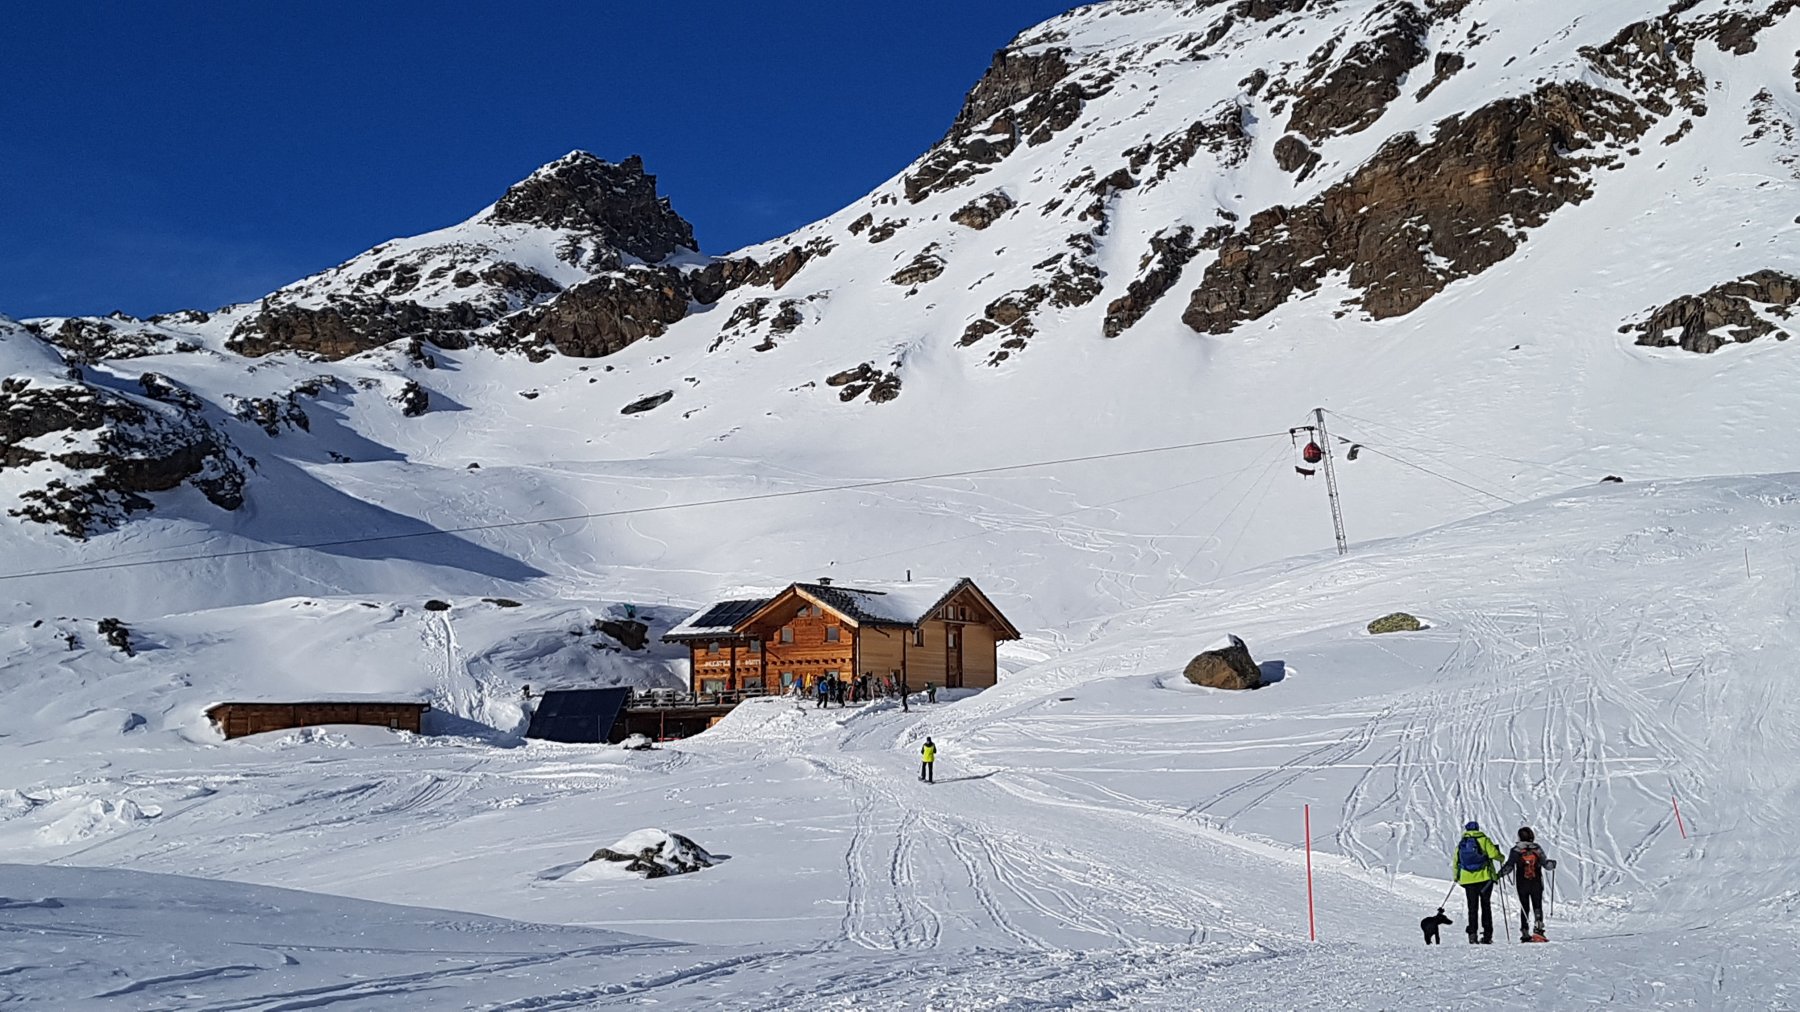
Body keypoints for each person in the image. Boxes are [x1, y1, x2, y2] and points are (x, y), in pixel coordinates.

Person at [1496, 826, 1557, 942]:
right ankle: (1539, 930)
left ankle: (1525, 931)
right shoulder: (1537, 849)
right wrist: (1553, 864)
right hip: (1536, 882)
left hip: (1522, 883)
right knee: (1537, 906)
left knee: (1524, 907)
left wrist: (1498, 875)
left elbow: (1509, 866)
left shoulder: (1516, 850)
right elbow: (1546, 865)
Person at [1453, 820, 1504, 943]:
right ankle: (1487, 935)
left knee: (1472, 907)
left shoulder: (1462, 843)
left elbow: (1456, 861)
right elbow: (1493, 855)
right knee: (1485, 906)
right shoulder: (1484, 839)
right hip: (1485, 878)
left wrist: (1457, 877)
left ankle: (1472, 935)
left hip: (1467, 879)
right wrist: (1501, 857)